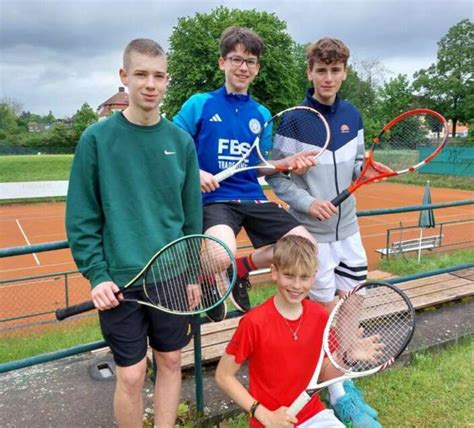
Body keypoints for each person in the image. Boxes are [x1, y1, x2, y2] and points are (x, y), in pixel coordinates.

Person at [65, 39, 202, 428]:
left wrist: (191, 273)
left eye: (158, 75)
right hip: (121, 282)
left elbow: (191, 219)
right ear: (124, 77)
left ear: (167, 80)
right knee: (130, 373)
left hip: (173, 278)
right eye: (141, 74)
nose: (150, 84)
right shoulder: (97, 139)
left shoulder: (180, 142)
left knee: (172, 361)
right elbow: (82, 217)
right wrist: (97, 274)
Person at [266, 37, 384, 427]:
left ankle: (344, 381)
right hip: (312, 234)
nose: (328, 77)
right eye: (321, 70)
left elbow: (353, 172)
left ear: (344, 72)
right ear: (310, 72)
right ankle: (335, 392)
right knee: (321, 312)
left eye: (335, 70)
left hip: (347, 228)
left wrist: (364, 173)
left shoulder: (353, 115)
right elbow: (279, 180)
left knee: (353, 298)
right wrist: (306, 203)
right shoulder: (295, 119)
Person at [173, 26, 317, 321]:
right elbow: (170, 147)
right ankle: (204, 277)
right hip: (215, 199)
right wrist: (195, 171)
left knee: (306, 246)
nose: (243, 67)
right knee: (218, 254)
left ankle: (239, 270)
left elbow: (260, 165)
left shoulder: (261, 114)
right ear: (222, 62)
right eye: (236, 59)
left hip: (251, 197)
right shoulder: (199, 104)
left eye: (250, 62)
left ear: (257, 68)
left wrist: (287, 162)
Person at [215, 235, 383, 427]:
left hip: (313, 415)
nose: (296, 285)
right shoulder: (254, 322)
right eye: (289, 275)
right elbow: (223, 375)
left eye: (304, 277)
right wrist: (264, 415)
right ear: (274, 272)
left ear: (314, 276)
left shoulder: (319, 316)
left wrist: (346, 359)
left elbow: (322, 373)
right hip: (270, 421)